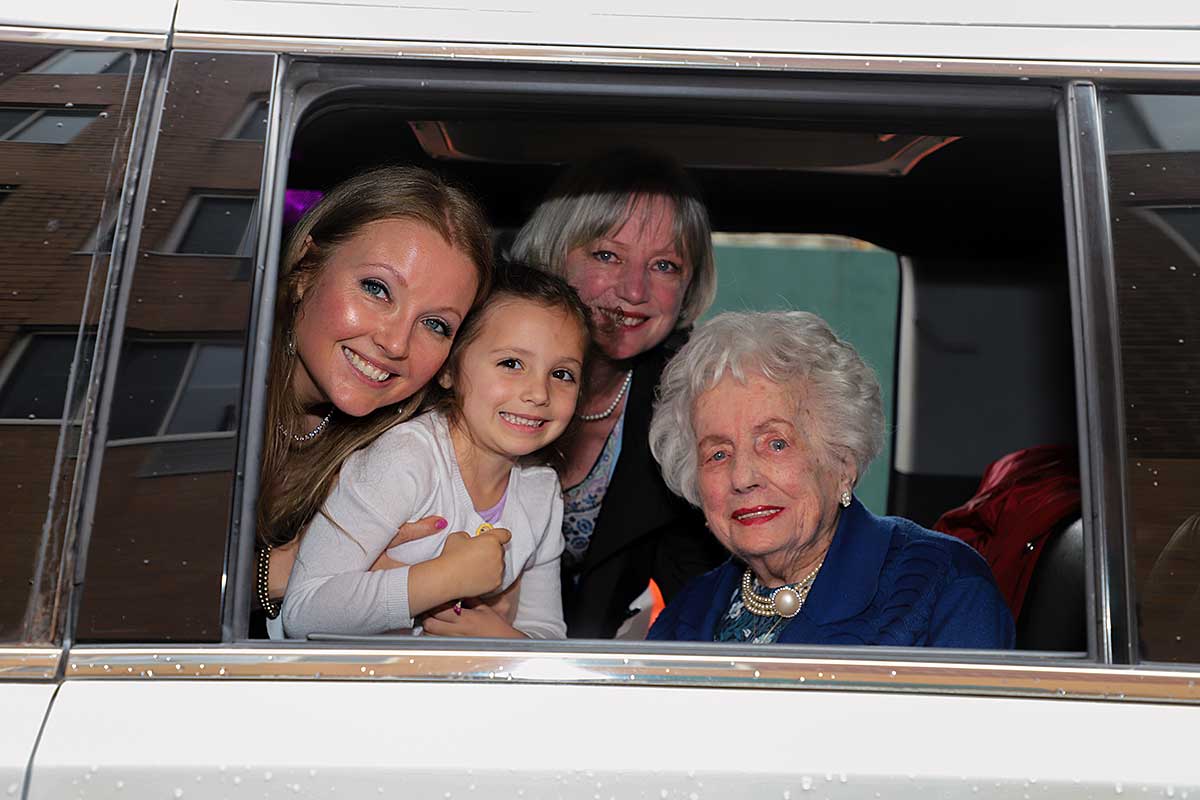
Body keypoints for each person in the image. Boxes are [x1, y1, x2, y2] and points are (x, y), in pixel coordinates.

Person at [646, 311, 1015, 647]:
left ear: (842, 461)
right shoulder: (684, 616)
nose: (742, 477)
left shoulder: (945, 589)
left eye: (776, 444)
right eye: (718, 454)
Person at [281, 263, 591, 639]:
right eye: (511, 363)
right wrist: (443, 579)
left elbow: (547, 633)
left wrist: (502, 639)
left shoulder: (541, 491)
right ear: (449, 370)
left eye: (562, 374)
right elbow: (303, 612)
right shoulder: (405, 459)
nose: (539, 393)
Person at [254, 165, 495, 639]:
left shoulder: (410, 449)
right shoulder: (218, 390)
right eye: (377, 289)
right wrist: (291, 571)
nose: (396, 343)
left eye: (435, 324)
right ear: (305, 269)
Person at [509, 149, 727, 638]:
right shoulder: (475, 368)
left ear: (688, 286)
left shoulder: (685, 411)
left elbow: (702, 586)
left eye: (665, 265)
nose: (634, 291)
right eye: (607, 255)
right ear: (553, 253)